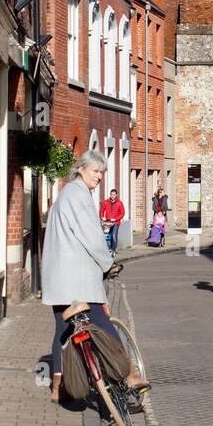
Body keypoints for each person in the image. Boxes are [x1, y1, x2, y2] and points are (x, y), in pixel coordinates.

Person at [42, 151, 148, 411]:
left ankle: (59, 388)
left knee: (63, 331)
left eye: (102, 172)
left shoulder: (65, 195)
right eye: (95, 171)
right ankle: (128, 373)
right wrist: (108, 262)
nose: (99, 177)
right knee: (102, 322)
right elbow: (91, 235)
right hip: (78, 277)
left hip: (58, 278)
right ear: (80, 170)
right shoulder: (79, 196)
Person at [99, 189, 125, 254]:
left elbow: (122, 213)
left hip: (116, 223)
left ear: (116, 195)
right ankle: (110, 249)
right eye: (111, 194)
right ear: (110, 195)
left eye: (114, 194)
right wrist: (102, 217)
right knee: (108, 236)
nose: (112, 196)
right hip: (107, 223)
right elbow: (101, 210)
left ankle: (113, 250)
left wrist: (116, 219)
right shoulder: (106, 202)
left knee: (114, 236)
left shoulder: (120, 203)